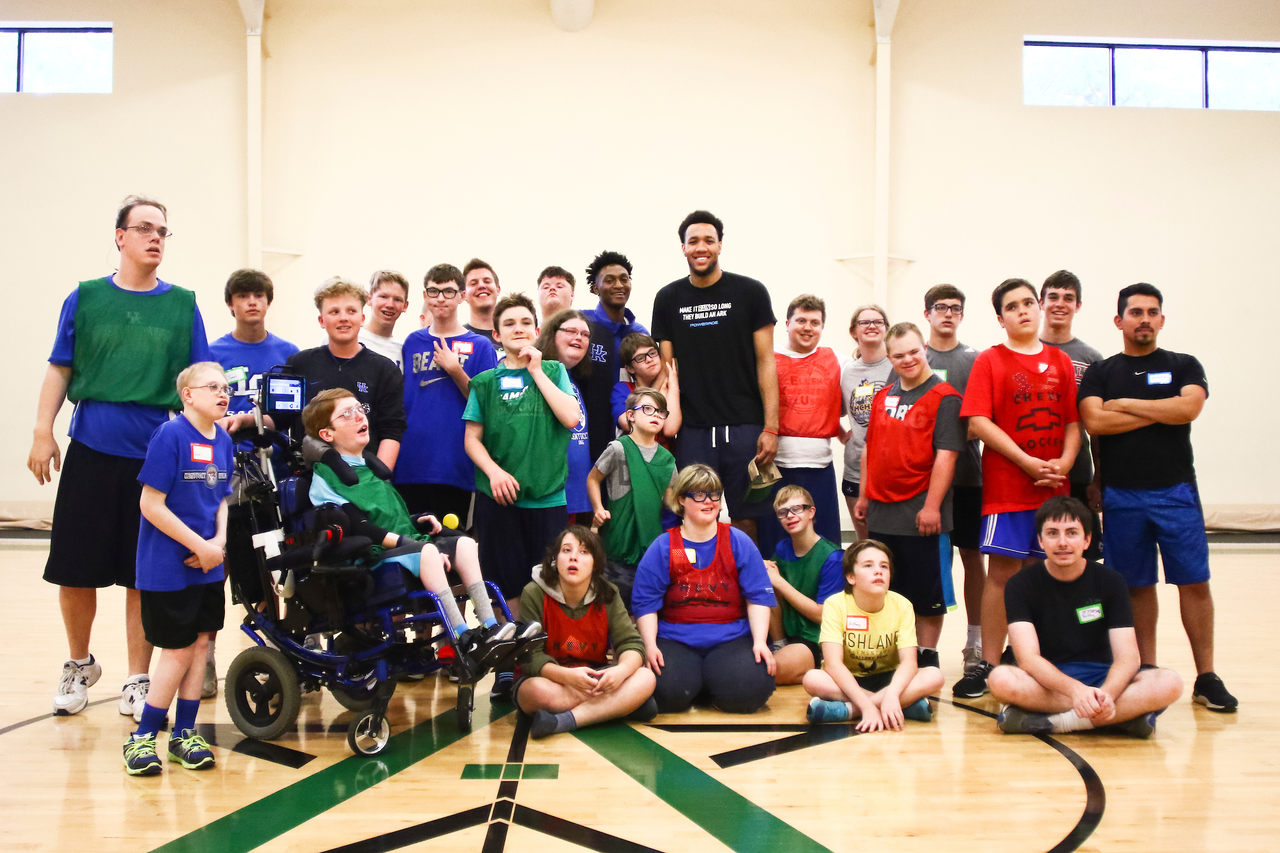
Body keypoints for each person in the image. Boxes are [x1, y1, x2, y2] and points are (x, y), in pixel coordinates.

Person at [30, 195, 212, 719]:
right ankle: (78, 662)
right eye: (145, 229)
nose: (156, 238)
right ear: (120, 236)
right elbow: (59, 368)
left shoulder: (182, 305)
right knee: (75, 568)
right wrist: (43, 431)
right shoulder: (85, 298)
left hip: (156, 459)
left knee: (143, 573)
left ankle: (138, 678)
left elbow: (199, 381)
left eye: (163, 231)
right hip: (90, 449)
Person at [1078, 283, 1237, 712]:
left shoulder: (1184, 364)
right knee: (1136, 586)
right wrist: (1157, 409)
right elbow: (1095, 421)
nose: (1144, 319)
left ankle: (1206, 676)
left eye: (1152, 312)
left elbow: (1187, 410)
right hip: (1121, 496)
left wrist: (1125, 404)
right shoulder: (1100, 372)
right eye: (1135, 312)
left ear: (1161, 320)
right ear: (1119, 321)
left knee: (1194, 582)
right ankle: (1145, 670)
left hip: (1176, 492)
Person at [302, 388, 521, 666]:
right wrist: (415, 545)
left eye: (360, 408)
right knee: (429, 552)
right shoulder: (326, 479)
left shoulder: (368, 467)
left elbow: (387, 516)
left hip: (404, 545)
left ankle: (491, 627)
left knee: (465, 544)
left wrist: (416, 521)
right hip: (373, 556)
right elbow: (362, 527)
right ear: (327, 434)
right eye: (347, 414)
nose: (360, 416)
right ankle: (461, 636)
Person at [953, 278, 1081, 699]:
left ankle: (1028, 657)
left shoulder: (1061, 362)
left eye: (1029, 302)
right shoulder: (990, 361)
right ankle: (986, 664)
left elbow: (1072, 424)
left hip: (1052, 491)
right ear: (1000, 318)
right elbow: (977, 422)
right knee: (1003, 575)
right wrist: (1026, 462)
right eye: (1013, 306)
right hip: (1008, 489)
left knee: (1041, 575)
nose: (1024, 310)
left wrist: (1063, 463)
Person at [463, 293, 581, 699]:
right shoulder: (484, 383)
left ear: (536, 329)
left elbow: (571, 417)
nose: (519, 329)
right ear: (496, 334)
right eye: (510, 323)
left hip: (547, 499)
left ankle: (544, 663)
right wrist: (494, 472)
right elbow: (472, 440)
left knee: (548, 584)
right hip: (500, 503)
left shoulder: (553, 370)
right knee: (506, 585)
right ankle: (509, 665)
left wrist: (537, 371)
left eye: (526, 322)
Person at [989, 496, 1184, 737]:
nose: (1062, 542)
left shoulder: (1111, 582)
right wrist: (1076, 691)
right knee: (1000, 679)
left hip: (1104, 678)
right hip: (1049, 683)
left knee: (1169, 683)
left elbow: (1128, 658)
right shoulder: (1020, 584)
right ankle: (1120, 719)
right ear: (1040, 540)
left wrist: (1109, 695)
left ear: (1087, 540)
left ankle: (1057, 723)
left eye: (1072, 533)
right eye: (1052, 533)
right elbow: (1028, 659)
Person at [123, 362, 233, 776]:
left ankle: (184, 735)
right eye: (212, 387)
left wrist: (218, 544)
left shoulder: (223, 439)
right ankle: (142, 738)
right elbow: (150, 504)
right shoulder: (170, 435)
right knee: (179, 649)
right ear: (188, 394)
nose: (223, 394)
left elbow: (222, 498)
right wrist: (199, 546)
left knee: (202, 645)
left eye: (226, 388)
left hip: (207, 562)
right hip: (169, 566)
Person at [651, 211, 779, 541]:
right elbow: (668, 373)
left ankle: (748, 589)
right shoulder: (667, 298)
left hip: (745, 428)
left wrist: (771, 427)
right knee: (691, 517)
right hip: (693, 430)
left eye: (709, 240)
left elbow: (767, 362)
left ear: (720, 245)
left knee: (747, 520)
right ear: (683, 248)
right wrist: (665, 426)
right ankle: (691, 587)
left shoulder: (751, 292)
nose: (701, 247)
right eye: (693, 241)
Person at [207, 269, 299, 697]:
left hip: (273, 476)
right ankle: (204, 651)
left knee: (275, 568)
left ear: (268, 301)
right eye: (242, 296)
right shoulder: (211, 354)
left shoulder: (287, 354)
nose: (251, 303)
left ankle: (279, 652)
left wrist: (251, 420)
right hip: (223, 478)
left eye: (258, 295)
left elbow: (294, 414)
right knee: (221, 564)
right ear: (231, 303)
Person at [855, 322, 964, 670]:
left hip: (922, 515)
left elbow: (946, 456)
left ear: (926, 349)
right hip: (882, 512)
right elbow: (869, 448)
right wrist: (863, 496)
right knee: (888, 591)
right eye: (899, 355)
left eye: (914, 351)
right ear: (889, 357)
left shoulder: (945, 397)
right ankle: (897, 658)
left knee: (927, 595)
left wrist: (932, 507)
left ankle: (927, 657)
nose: (908, 359)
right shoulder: (883, 395)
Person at [632, 464, 777, 713]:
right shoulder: (669, 546)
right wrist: (650, 645)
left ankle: (708, 683)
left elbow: (757, 598)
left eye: (714, 494)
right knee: (666, 693)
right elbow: (646, 603)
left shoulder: (737, 541)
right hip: (675, 640)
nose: (708, 501)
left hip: (731, 640)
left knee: (752, 690)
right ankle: (700, 684)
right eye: (699, 494)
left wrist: (761, 642)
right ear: (681, 500)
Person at [516, 526, 657, 738]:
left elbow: (631, 643)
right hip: (552, 679)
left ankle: (562, 721)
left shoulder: (608, 593)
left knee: (646, 677)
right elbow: (529, 655)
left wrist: (620, 672)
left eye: (584, 552)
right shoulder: (533, 592)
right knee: (534, 692)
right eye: (566, 550)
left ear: (595, 564)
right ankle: (615, 707)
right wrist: (567, 676)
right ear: (555, 559)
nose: (574, 558)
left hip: (594, 677)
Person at [396, 264, 499, 523]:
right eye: (434, 291)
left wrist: (456, 370)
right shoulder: (412, 342)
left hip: (454, 466)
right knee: (412, 547)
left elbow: (486, 406)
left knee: (451, 548)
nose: (440, 298)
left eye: (449, 292)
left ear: (462, 296)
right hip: (411, 463)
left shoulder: (481, 346)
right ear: (425, 296)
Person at [803, 540, 943, 729]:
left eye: (884, 567)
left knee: (934, 675)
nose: (878, 571)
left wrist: (892, 694)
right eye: (868, 566)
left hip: (890, 679)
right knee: (812, 679)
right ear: (851, 577)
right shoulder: (835, 605)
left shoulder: (902, 605)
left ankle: (849, 710)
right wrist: (867, 705)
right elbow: (833, 664)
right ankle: (904, 706)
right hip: (848, 679)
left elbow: (909, 662)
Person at [922, 285, 986, 675]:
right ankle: (920, 647)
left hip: (967, 478)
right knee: (929, 563)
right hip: (922, 483)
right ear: (926, 313)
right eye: (941, 308)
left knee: (972, 557)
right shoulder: (916, 357)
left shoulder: (975, 360)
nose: (948, 314)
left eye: (955, 308)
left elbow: (983, 421)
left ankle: (975, 642)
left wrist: (953, 439)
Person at [758, 294, 851, 559]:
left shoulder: (838, 361)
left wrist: (853, 432)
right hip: (775, 466)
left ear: (822, 327)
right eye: (801, 320)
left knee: (824, 546)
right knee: (774, 544)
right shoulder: (767, 359)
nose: (808, 327)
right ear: (787, 323)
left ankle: (825, 599)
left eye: (815, 322)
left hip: (819, 466)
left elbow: (863, 391)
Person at [284, 277, 406, 470]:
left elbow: (392, 430)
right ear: (322, 321)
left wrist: (377, 481)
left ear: (362, 318)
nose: (343, 318)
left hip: (364, 478)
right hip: (309, 476)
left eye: (351, 311)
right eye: (334, 312)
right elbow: (278, 418)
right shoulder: (299, 364)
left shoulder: (385, 370)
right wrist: (243, 419)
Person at [587, 388, 678, 611]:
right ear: (630, 416)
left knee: (648, 607)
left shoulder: (667, 459)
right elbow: (592, 479)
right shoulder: (618, 448)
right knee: (616, 605)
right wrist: (598, 509)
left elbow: (671, 503)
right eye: (648, 409)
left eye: (660, 411)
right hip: (619, 545)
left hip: (652, 548)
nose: (656, 415)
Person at [1039, 270, 1103, 560]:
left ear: (1078, 306)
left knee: (1080, 558)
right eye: (1052, 297)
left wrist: (1098, 478)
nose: (1059, 304)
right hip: (1029, 473)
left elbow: (1098, 427)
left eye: (1068, 298)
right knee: (1033, 558)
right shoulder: (1021, 351)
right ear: (1041, 303)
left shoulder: (1091, 359)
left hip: (1076, 472)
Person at [762, 486, 844, 685]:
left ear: (811, 512)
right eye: (783, 512)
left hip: (814, 638)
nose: (790, 516)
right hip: (783, 636)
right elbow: (770, 591)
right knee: (764, 580)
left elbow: (821, 615)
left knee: (766, 673)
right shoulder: (782, 549)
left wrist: (779, 581)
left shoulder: (833, 558)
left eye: (796, 509)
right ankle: (782, 649)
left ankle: (815, 667)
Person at [580, 251, 650, 463]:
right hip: (585, 434)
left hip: (628, 435)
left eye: (624, 279)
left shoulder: (640, 333)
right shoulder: (581, 324)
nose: (619, 285)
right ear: (595, 288)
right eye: (609, 280)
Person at [840, 304, 893, 542]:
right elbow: (832, 409)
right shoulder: (846, 372)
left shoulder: (899, 366)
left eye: (878, 321)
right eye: (864, 322)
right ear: (854, 331)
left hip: (891, 470)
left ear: (886, 329)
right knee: (866, 545)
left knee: (893, 544)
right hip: (854, 470)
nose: (872, 325)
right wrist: (842, 435)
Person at [536, 310, 594, 523]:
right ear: (551, 334)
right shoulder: (538, 374)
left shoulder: (572, 378)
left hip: (575, 493)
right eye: (571, 331)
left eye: (585, 334)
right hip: (548, 495)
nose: (579, 337)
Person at [611, 333, 681, 453]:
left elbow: (670, 429)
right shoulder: (623, 389)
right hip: (633, 461)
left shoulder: (670, 388)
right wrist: (661, 396)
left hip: (665, 462)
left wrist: (673, 385)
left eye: (652, 353)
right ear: (630, 368)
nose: (649, 359)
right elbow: (628, 424)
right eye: (640, 358)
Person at [359, 270, 411, 370]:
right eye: (383, 297)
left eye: (397, 299)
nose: (390, 305)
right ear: (369, 299)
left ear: (405, 306)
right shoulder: (348, 339)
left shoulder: (403, 352)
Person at [463, 258, 502, 351]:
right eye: (473, 283)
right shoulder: (458, 336)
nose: (481, 286)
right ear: (463, 295)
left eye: (487, 281)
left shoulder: (513, 335)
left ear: (498, 289)